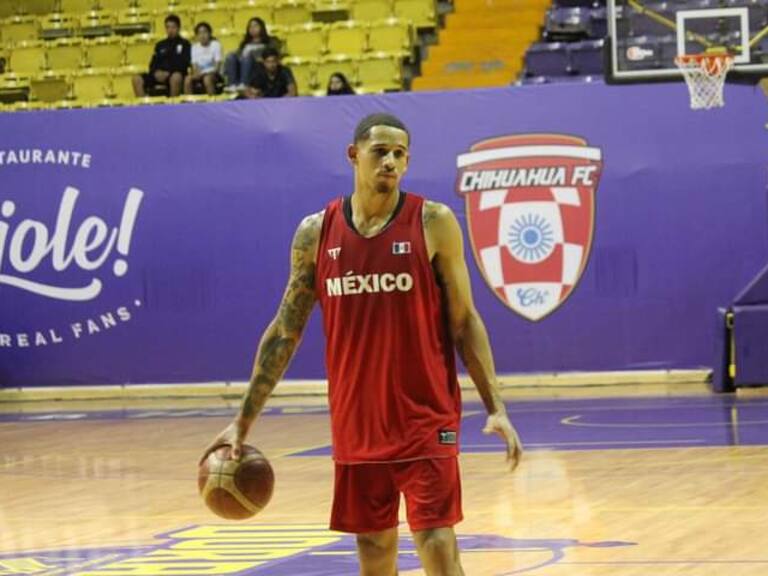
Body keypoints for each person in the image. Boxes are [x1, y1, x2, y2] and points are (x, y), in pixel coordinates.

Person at [201, 113, 523, 576]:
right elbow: (284, 331)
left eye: (400, 155)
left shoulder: (433, 222)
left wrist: (496, 406)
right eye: (380, 152)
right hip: (357, 422)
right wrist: (242, 421)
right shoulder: (316, 233)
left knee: (435, 539)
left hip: (425, 417)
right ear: (354, 156)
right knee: (373, 549)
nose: (391, 162)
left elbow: (465, 321)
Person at [132, 14, 191, 98]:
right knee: (136, 79)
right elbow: (153, 63)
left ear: (178, 28)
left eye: (173, 27)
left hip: (173, 74)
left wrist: (168, 73)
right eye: (168, 27)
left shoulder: (185, 44)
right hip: (158, 74)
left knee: (176, 77)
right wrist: (156, 72)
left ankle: (173, 107)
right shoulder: (160, 45)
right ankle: (143, 107)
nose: (170, 30)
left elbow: (185, 63)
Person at [223, 17, 279, 92]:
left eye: (255, 26)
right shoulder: (245, 43)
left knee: (247, 57)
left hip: (257, 68)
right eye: (250, 27)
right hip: (241, 66)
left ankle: (244, 84)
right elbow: (238, 55)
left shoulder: (269, 42)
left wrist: (255, 57)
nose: (253, 28)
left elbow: (273, 55)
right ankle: (232, 84)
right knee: (231, 56)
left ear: (262, 27)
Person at [184, 22, 223, 95]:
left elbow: (217, 66)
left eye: (205, 32)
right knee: (187, 79)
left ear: (210, 33)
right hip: (200, 74)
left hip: (214, 74)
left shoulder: (216, 45)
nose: (202, 35)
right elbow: (194, 65)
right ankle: (189, 104)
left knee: (207, 79)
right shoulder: (194, 47)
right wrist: (198, 73)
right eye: (200, 33)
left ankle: (212, 103)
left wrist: (206, 73)